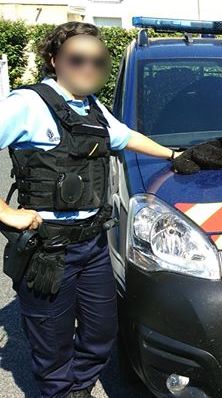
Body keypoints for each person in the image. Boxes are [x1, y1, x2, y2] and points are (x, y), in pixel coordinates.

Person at [0, 22, 182, 398]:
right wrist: (6, 213)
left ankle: (79, 387)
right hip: (47, 250)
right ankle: (60, 391)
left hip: (93, 245)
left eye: (97, 61)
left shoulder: (91, 108)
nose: (88, 67)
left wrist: (174, 155)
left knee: (102, 331)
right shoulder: (28, 104)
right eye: (77, 59)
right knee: (52, 344)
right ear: (55, 60)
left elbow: (126, 137)